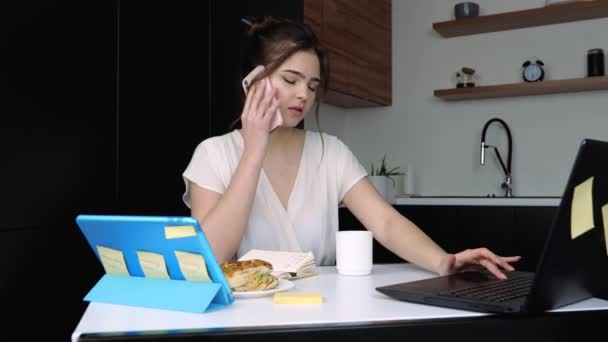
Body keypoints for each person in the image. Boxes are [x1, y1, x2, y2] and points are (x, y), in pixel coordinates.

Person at [182, 16, 520, 280]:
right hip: (245, 323)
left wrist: (444, 261)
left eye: (312, 86)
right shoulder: (213, 155)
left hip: (323, 315)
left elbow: (385, 222)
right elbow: (210, 256)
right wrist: (254, 148)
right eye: (290, 80)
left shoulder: (331, 152)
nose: (304, 95)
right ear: (253, 81)